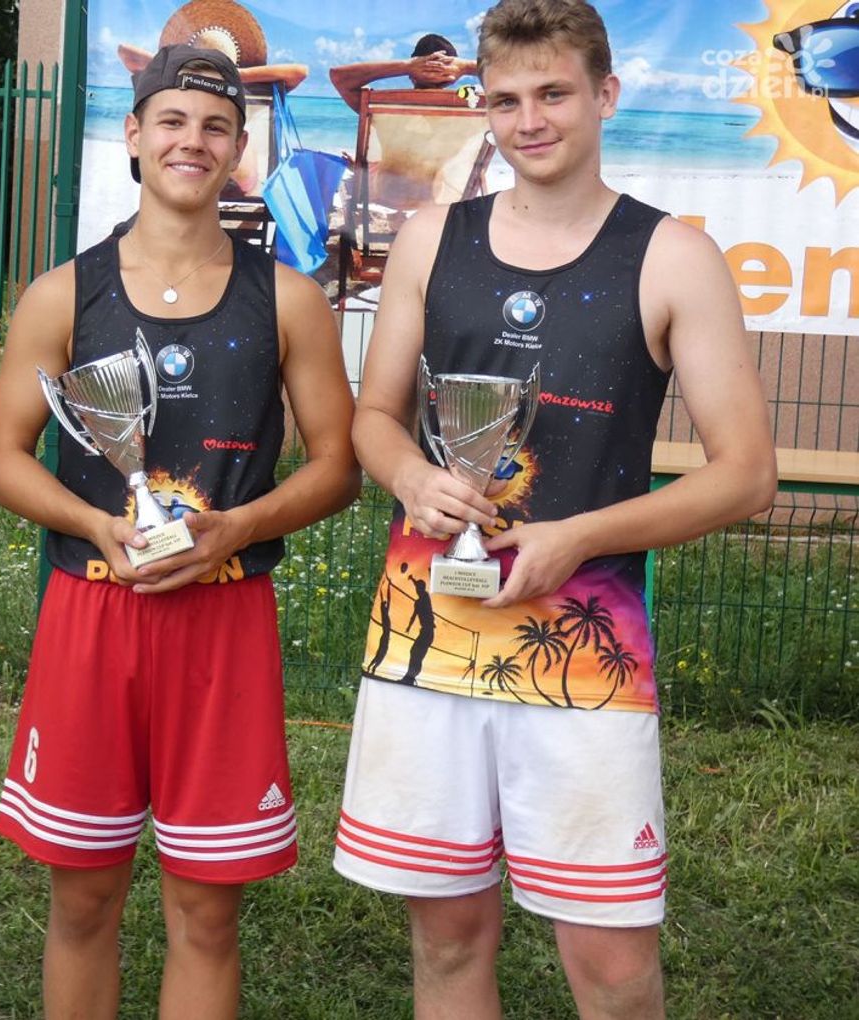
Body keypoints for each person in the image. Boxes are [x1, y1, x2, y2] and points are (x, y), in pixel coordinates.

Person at [334, 2, 776, 1018]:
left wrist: (579, 536)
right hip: (429, 636)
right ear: (483, 107)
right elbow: (374, 419)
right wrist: (411, 478)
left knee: (611, 966)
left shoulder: (672, 256)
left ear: (605, 95)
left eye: (553, 94)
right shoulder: (432, 240)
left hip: (584, 652)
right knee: (449, 940)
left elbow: (747, 474)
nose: (529, 120)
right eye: (505, 100)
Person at [0, 44, 359, 1019]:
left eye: (216, 125)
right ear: (135, 134)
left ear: (237, 148)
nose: (194, 141)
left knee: (206, 914)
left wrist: (239, 527)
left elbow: (338, 467)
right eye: (174, 121)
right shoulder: (64, 294)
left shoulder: (288, 299)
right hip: (92, 613)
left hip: (224, 623)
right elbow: (1, 459)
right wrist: (93, 523)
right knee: (83, 900)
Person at [329, 33, 478, 112]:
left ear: (412, 76)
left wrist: (408, 66)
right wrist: (466, 66)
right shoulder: (473, 108)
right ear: (452, 78)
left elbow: (338, 77)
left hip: (391, 164)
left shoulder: (382, 108)